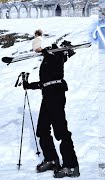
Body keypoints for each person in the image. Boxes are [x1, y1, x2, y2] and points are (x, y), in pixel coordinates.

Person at [22, 30, 80, 178]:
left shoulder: (56, 57)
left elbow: (54, 73)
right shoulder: (48, 60)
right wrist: (29, 85)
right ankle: (51, 159)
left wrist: (43, 50)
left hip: (56, 95)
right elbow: (45, 82)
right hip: (47, 96)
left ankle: (71, 166)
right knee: (42, 130)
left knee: (61, 132)